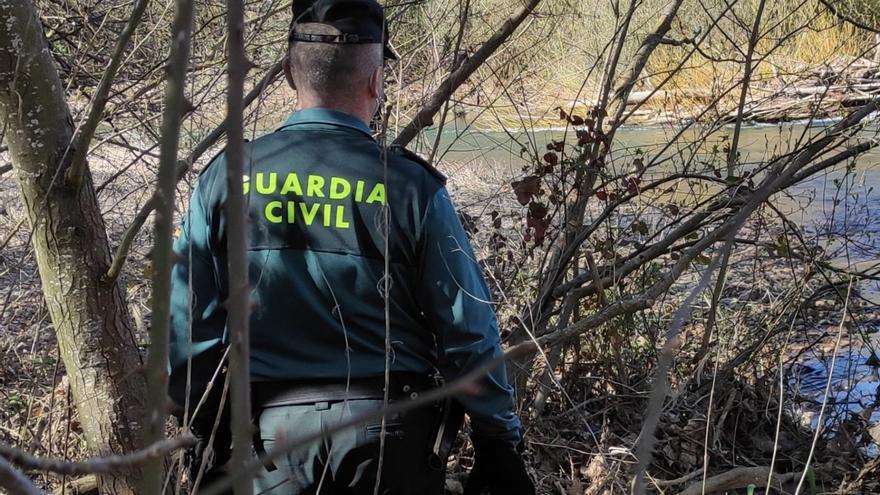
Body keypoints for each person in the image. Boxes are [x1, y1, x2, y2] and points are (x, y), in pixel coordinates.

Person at [168, 0, 534, 493]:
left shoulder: (227, 177)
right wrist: (497, 439)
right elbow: (466, 332)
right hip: (392, 436)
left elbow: (188, 324)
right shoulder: (411, 188)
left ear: (286, 74)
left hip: (270, 442)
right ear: (376, 81)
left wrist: (205, 431)